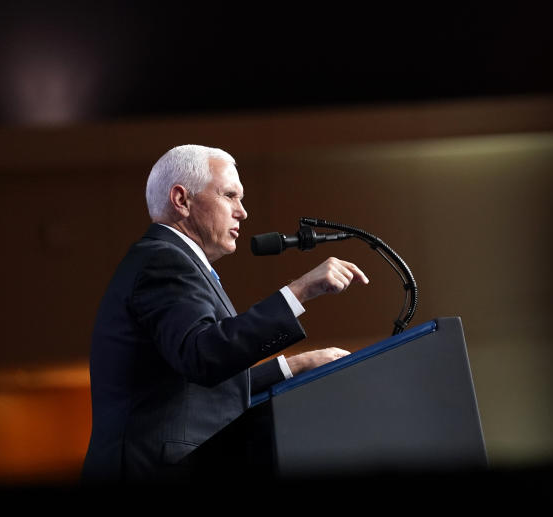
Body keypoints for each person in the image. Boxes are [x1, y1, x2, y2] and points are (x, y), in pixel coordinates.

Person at [82, 144, 368, 483]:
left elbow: (196, 387)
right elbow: (203, 356)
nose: (242, 212)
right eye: (230, 195)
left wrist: (295, 366)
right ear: (181, 200)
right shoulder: (164, 260)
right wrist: (301, 290)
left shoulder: (168, 260)